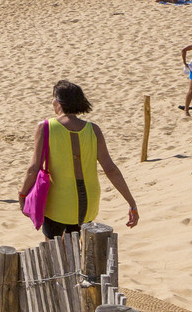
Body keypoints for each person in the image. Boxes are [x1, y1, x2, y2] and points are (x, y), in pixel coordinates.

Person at [18, 80, 139, 238]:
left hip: (58, 202)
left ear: (59, 101)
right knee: (77, 247)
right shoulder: (93, 129)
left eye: (53, 97)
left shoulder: (45, 127)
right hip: (88, 203)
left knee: (56, 251)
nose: (52, 102)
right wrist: (131, 203)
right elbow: (111, 170)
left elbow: (34, 168)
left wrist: (22, 194)